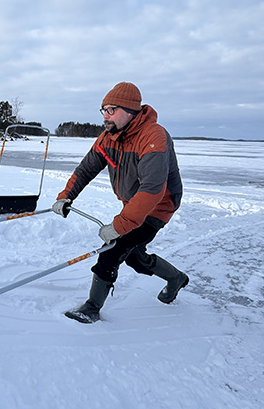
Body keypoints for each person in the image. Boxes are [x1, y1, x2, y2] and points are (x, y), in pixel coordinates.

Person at [52, 82, 188, 323]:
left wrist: (120, 226)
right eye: (103, 109)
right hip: (134, 203)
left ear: (130, 110)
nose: (105, 116)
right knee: (134, 256)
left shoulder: (154, 136)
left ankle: (92, 307)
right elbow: (86, 170)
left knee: (112, 250)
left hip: (159, 205)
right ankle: (175, 278)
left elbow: (152, 189)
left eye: (111, 110)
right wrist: (65, 196)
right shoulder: (109, 138)